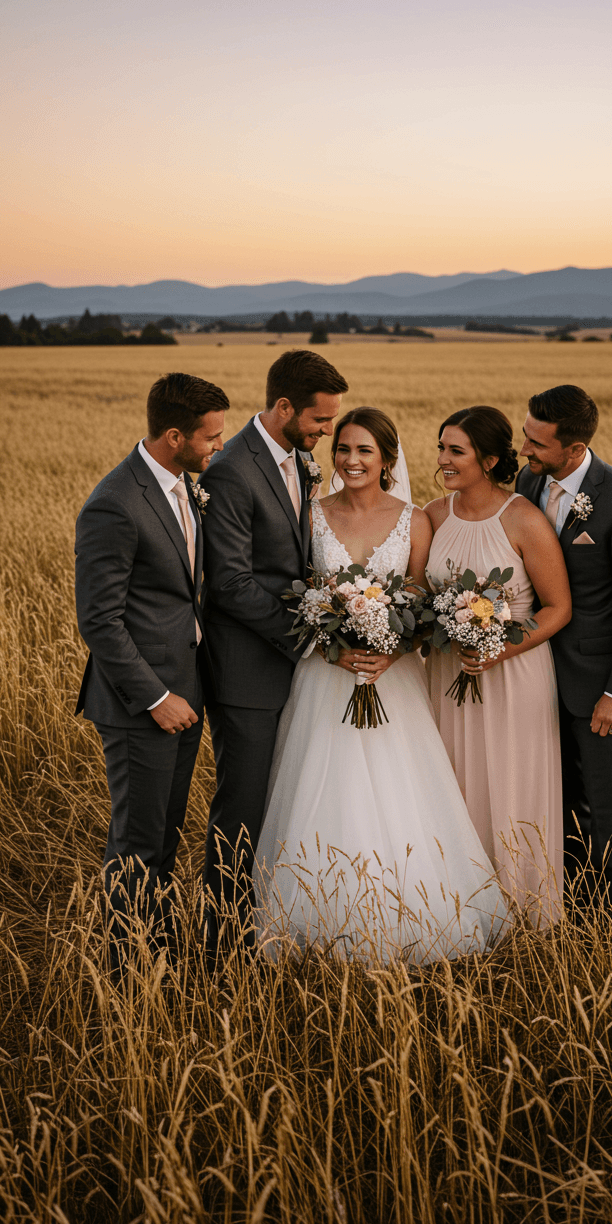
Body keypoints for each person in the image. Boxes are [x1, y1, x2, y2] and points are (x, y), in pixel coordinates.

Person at [254, 407, 507, 963]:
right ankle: (319, 919)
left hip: (392, 680)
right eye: (343, 448)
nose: (351, 460)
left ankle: (410, 916)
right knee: (322, 783)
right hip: (325, 674)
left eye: (365, 450)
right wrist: (333, 641)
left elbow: (416, 600)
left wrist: (390, 653)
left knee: (402, 791)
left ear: (388, 459)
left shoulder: (414, 519)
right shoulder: (313, 515)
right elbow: (303, 595)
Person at [74, 372, 228, 975]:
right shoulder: (115, 503)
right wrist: (156, 697)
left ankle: (156, 952)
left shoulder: (184, 485)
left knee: (164, 837)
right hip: (143, 703)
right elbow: (100, 620)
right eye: (211, 437)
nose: (220, 446)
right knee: (137, 846)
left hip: (184, 692)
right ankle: (127, 973)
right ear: (173, 436)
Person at [198, 349, 349, 955]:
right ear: (284, 407)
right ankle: (222, 940)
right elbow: (230, 583)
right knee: (243, 806)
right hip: (248, 674)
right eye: (319, 421)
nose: (326, 434)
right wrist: (311, 636)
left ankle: (280, 920)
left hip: (297, 670)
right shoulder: (232, 470)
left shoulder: (300, 461)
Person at [515, 384, 612, 919]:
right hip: (540, 675)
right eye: (525, 435)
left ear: (574, 449)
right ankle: (571, 902)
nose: (524, 450)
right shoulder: (529, 481)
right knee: (561, 800)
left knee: (609, 809)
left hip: (603, 686)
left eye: (536, 443)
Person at [425, 406, 571, 925]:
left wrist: (497, 648)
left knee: (509, 784)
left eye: (455, 451)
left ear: (488, 460)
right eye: (441, 447)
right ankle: (462, 911)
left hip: (514, 675)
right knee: (454, 783)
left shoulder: (523, 520)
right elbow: (422, 598)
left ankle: (521, 908)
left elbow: (557, 608)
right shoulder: (434, 516)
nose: (442, 459)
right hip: (446, 675)